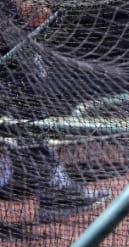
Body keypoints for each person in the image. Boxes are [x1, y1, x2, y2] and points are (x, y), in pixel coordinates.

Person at [1, 0, 110, 223]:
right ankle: (56, 192)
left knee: (25, 122)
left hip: (11, 48)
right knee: (27, 122)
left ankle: (56, 190)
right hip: (9, 53)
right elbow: (36, 14)